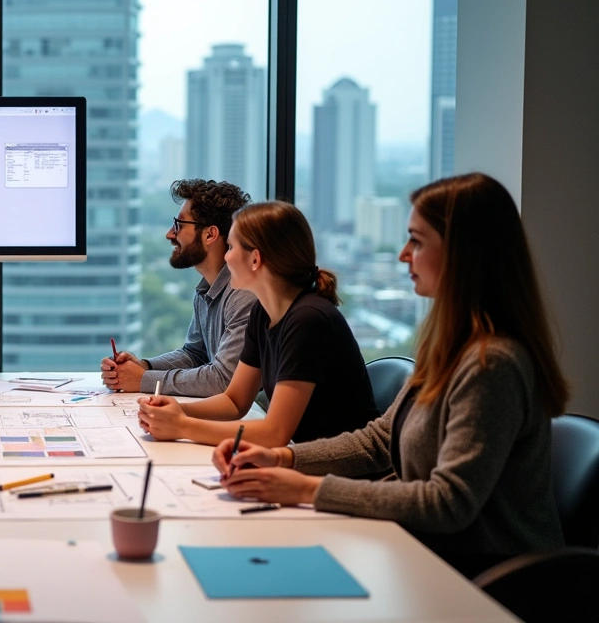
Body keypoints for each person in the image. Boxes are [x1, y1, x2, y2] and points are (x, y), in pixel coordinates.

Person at [212, 173, 567, 577]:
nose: (402, 254)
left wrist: (306, 488)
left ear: (461, 253)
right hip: (429, 555)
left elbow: (448, 503)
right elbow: (381, 440)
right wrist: (282, 458)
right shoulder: (454, 347)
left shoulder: (493, 364)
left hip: (486, 579)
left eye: (416, 241)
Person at [138, 200, 377, 446]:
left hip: (343, 473)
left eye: (230, 247)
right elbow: (235, 401)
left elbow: (274, 433)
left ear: (255, 259)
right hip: (306, 458)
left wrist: (182, 426)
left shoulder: (308, 320)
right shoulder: (263, 313)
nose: (226, 258)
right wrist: (177, 411)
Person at [101, 179, 256, 396]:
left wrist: (144, 380)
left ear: (210, 235)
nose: (170, 234)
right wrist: (144, 367)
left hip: (255, 418)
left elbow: (223, 379)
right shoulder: (206, 291)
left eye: (179, 225)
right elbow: (195, 354)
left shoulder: (244, 295)